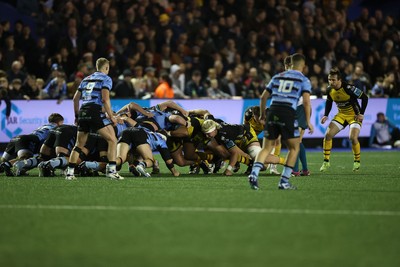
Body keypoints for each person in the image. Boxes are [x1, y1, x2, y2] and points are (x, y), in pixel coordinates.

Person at [248, 53, 313, 190]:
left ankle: (254, 174)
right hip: (288, 113)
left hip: (273, 111)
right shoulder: (303, 80)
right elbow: (306, 102)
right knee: (294, 148)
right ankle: (284, 181)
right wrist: (308, 121)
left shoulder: (277, 77)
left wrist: (263, 115)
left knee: (266, 147)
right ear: (303, 66)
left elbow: (263, 97)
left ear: (290, 64)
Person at [65, 57, 123, 180]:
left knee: (79, 144)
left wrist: (76, 115)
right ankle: (111, 171)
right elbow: (105, 99)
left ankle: (70, 172)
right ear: (106, 67)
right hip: (94, 111)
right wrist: (112, 116)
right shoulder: (106, 78)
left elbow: (75, 98)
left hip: (83, 111)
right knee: (112, 140)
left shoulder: (86, 79)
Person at [319, 67, 369, 172]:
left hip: (354, 115)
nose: (331, 82)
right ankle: (326, 162)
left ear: (339, 80)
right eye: (329, 79)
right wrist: (326, 115)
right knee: (328, 135)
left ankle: (357, 161)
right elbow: (329, 101)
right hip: (341, 115)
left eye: (333, 80)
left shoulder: (349, 88)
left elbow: (365, 97)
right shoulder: (329, 90)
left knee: (352, 137)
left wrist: (361, 114)